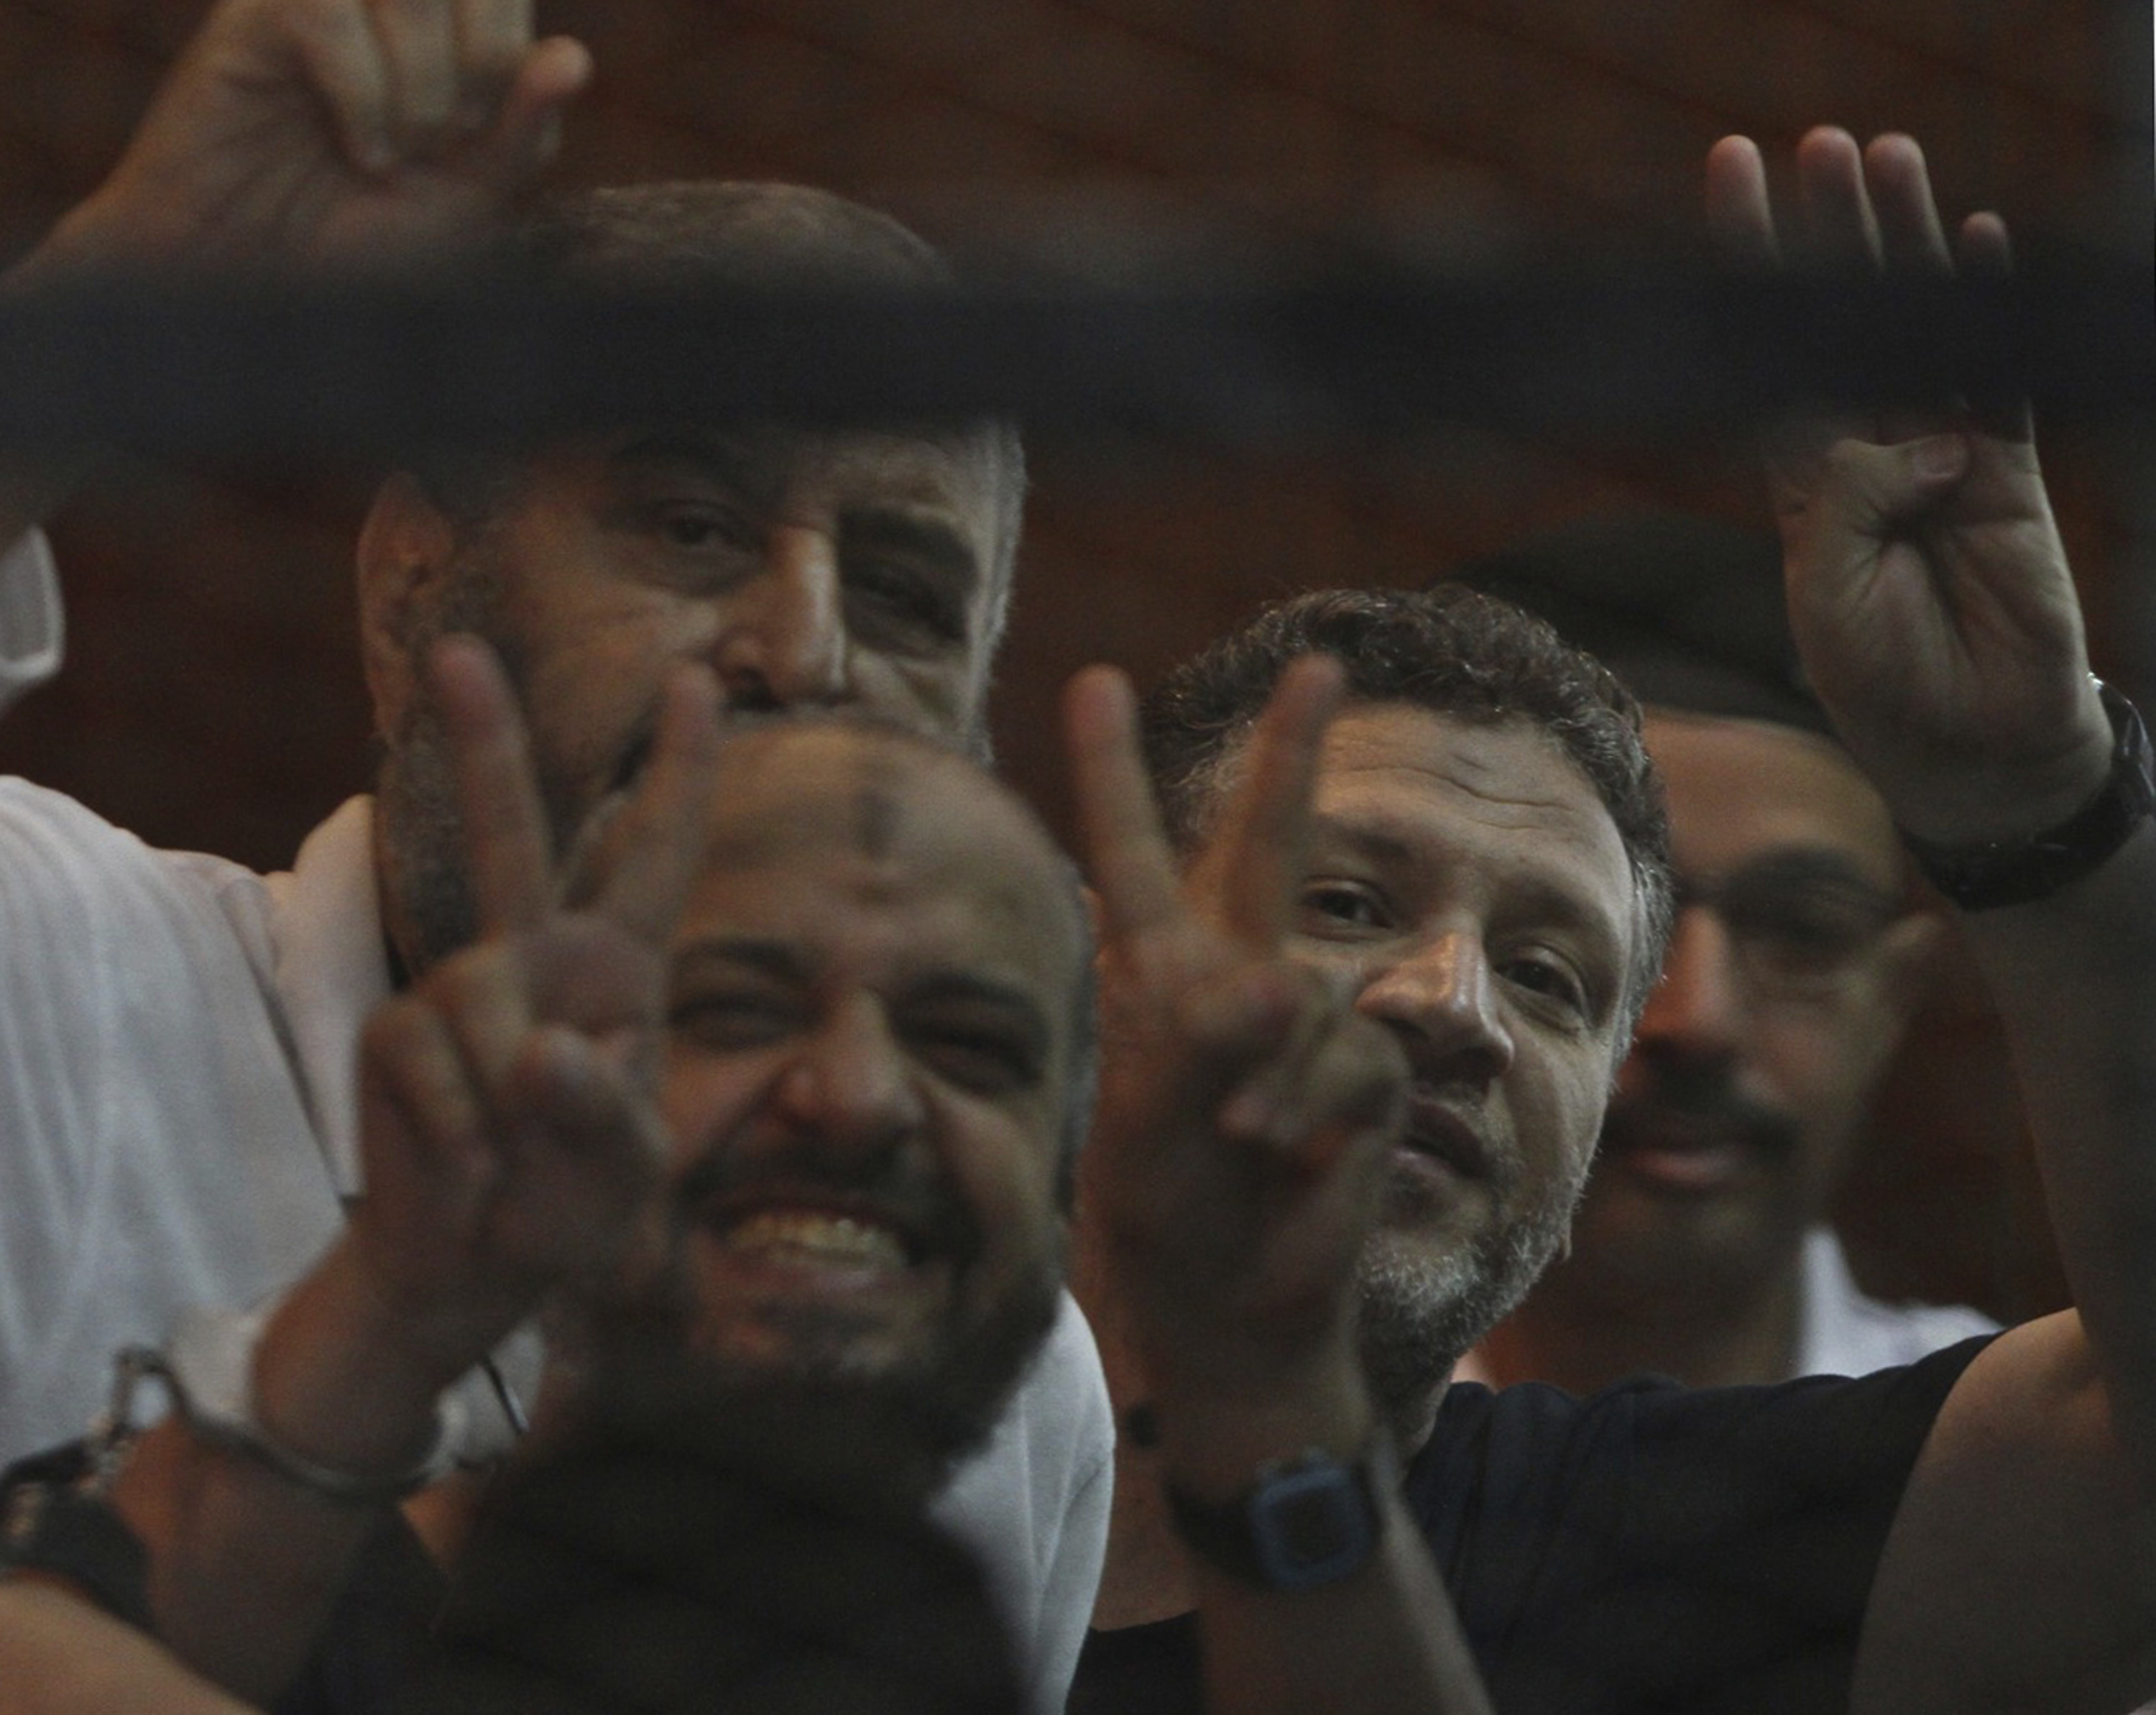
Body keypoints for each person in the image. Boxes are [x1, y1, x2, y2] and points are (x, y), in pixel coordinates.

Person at [0, 5, 1107, 1709]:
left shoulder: (988, 1336)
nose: (800, 647)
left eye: (899, 588)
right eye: (689, 524)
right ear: (407, 586)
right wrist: (117, 311)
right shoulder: (56, 963)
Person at [1068, 128, 2156, 1715]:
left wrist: (2035, 801)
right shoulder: (812, 1442)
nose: (1454, 1001)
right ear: (1097, 957)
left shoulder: (1646, 1545)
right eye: (1350, 900)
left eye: (1554, 973)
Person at [1443, 512, 1996, 1392]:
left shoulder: (2034, 1476)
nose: (1696, 1019)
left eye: (1801, 932)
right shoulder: (1208, 1462)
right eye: (1609, 923)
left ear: (1894, 995)